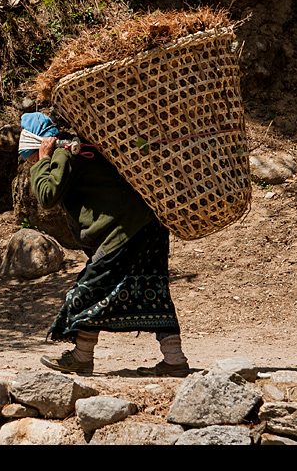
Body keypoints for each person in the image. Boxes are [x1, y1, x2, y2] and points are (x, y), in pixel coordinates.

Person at [18, 112, 189, 377]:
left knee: (89, 289)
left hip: (125, 230)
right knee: (151, 286)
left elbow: (47, 196)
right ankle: (174, 359)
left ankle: (82, 357)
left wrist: (42, 161)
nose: (29, 163)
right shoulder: (76, 148)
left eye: (29, 156)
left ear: (42, 144)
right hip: (147, 224)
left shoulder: (65, 154)